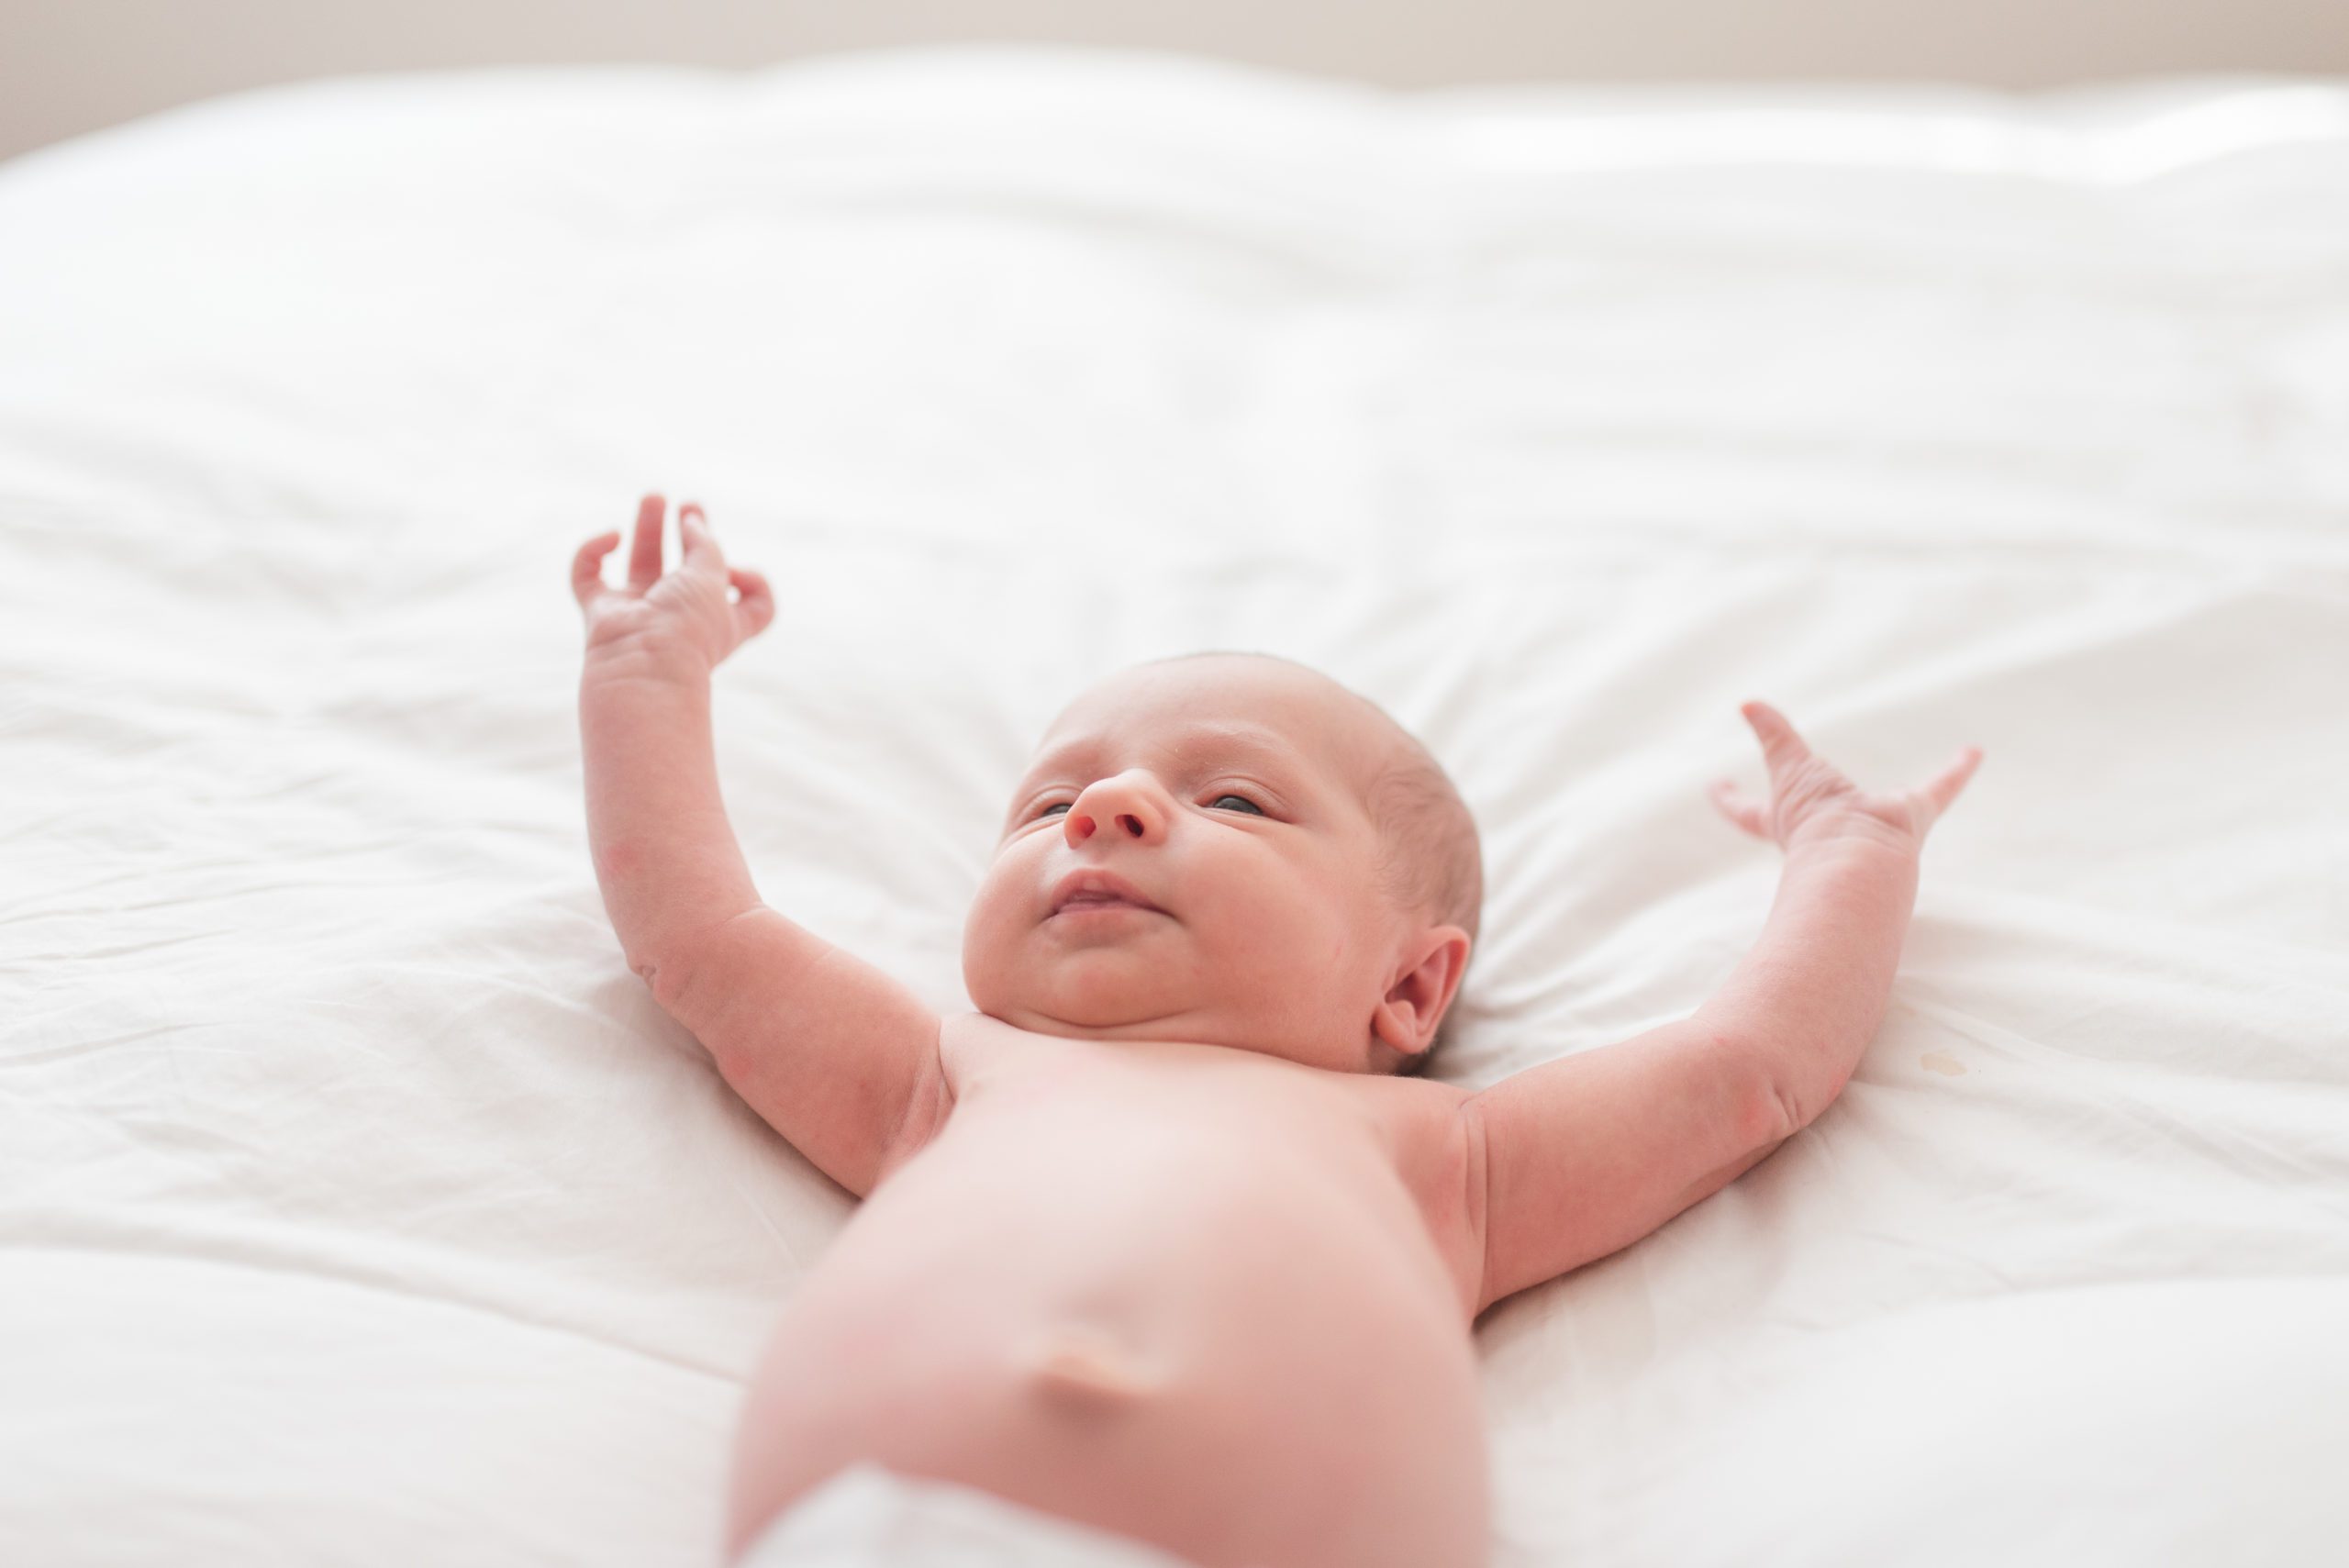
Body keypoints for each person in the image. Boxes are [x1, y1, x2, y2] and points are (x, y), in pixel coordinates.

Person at [570, 495, 1985, 1568]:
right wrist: (646, 677)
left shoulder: (1456, 1154)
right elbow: (704, 940)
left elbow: (1751, 1071)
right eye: (1045, 805)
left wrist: (1851, 858)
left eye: (1235, 801)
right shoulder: (937, 1076)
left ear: (1412, 991)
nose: (1104, 810)